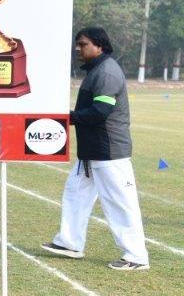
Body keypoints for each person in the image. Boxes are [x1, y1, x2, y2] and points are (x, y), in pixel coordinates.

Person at [41, 27, 150, 270]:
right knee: (75, 194)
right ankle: (69, 243)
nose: (78, 49)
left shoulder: (107, 72)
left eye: (83, 44)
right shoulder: (97, 70)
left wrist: (68, 117)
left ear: (99, 45)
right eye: (78, 44)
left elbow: (101, 111)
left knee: (120, 203)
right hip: (92, 152)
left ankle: (136, 257)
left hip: (108, 152)